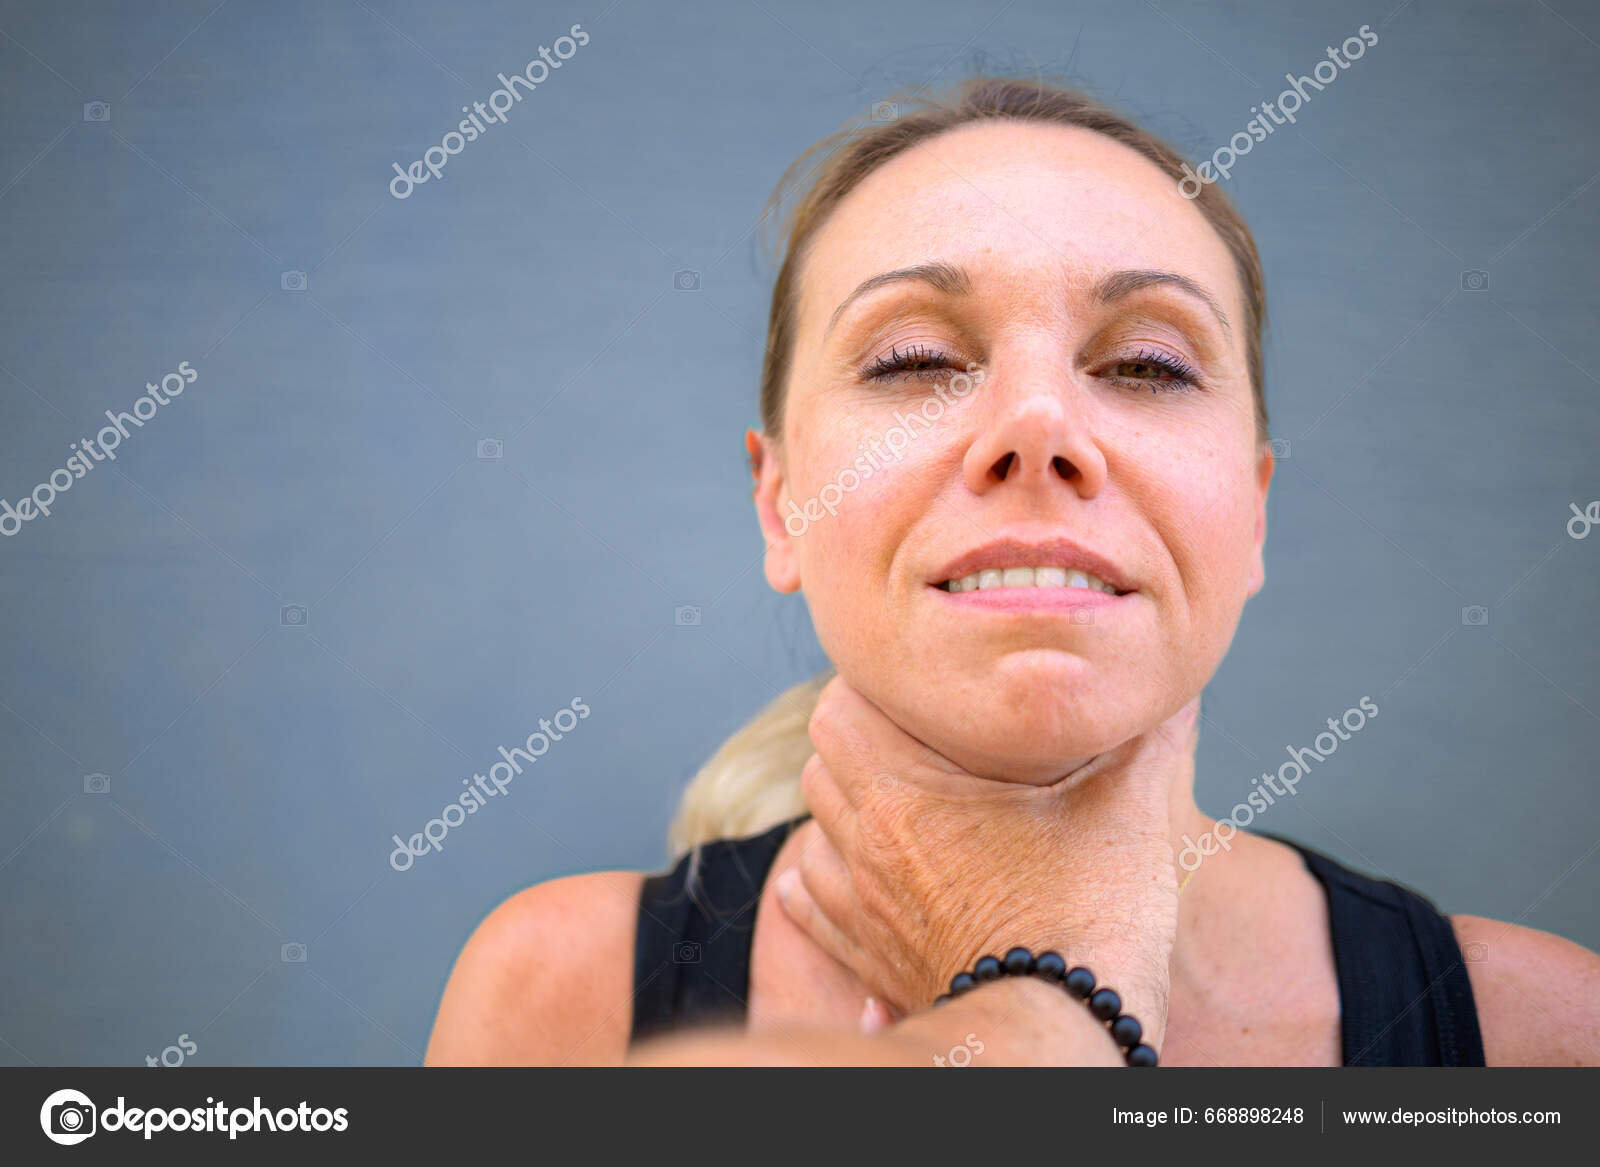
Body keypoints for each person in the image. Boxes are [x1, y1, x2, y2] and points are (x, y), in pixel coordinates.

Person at [425, 76, 1600, 1067]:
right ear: (779, 503)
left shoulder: (1548, 1032)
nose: (1037, 425)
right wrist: (1062, 1000)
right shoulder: (553, 998)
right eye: (913, 359)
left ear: (1252, 512)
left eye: (1146, 366)